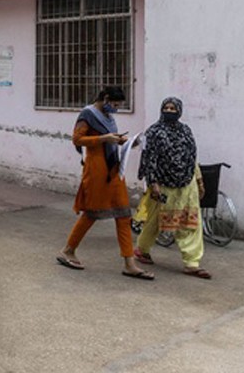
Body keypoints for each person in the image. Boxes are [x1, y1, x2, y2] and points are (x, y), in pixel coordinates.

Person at [55, 86, 154, 280]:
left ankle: (129, 263)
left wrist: (125, 142)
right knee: (91, 213)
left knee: (123, 214)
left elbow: (111, 139)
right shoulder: (87, 114)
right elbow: (77, 139)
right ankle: (68, 250)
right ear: (106, 99)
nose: (116, 108)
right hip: (96, 170)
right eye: (115, 104)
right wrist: (103, 138)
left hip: (114, 170)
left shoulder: (109, 117)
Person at [133, 97, 211, 279]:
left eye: (173, 108)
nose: (169, 111)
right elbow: (149, 159)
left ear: (180, 110)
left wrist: (199, 181)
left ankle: (192, 262)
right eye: (166, 107)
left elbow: (192, 157)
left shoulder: (185, 130)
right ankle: (142, 250)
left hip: (187, 184)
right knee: (155, 221)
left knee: (190, 223)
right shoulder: (154, 132)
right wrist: (153, 183)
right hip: (163, 184)